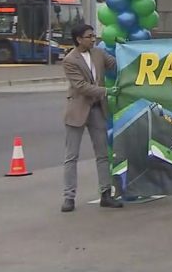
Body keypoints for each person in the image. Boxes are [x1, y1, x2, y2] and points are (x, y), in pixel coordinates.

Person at [61, 23, 123, 212]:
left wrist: (126, 49)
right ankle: (69, 197)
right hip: (78, 110)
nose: (93, 39)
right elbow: (81, 87)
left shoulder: (98, 53)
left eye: (94, 36)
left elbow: (116, 63)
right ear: (79, 39)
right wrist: (107, 91)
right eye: (89, 36)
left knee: (102, 154)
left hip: (97, 109)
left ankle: (106, 193)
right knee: (71, 156)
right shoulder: (70, 60)